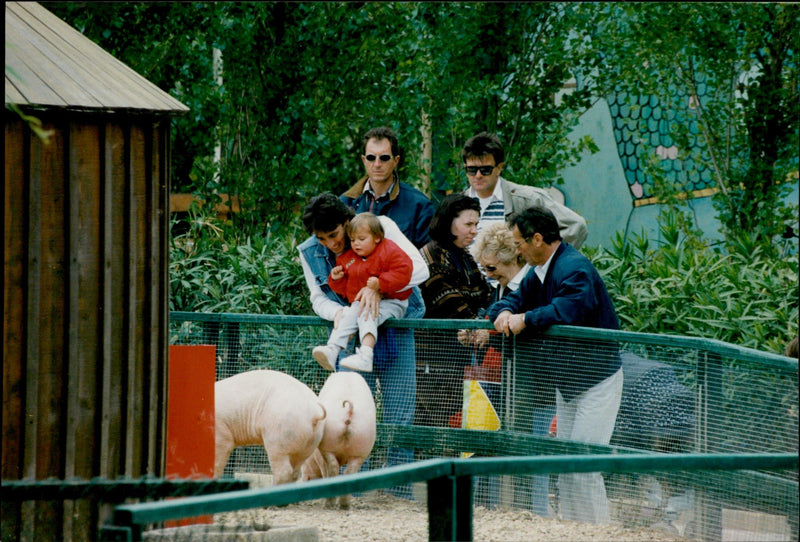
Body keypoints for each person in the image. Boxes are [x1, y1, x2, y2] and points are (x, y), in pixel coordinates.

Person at [487, 206, 623, 524]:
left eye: (519, 242)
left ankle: (597, 533)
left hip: (596, 380)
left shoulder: (573, 267)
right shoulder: (541, 270)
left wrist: (525, 319)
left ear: (537, 239)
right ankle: (576, 529)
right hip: (570, 381)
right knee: (567, 464)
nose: (516, 249)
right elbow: (516, 300)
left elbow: (569, 308)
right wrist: (502, 312)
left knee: (583, 464)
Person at [297, 193, 429, 497]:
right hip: (351, 335)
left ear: (347, 222)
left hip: (395, 326)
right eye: (321, 238)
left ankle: (400, 495)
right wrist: (341, 313)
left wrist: (379, 289)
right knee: (349, 417)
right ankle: (351, 494)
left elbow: (419, 269)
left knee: (400, 415)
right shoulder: (308, 251)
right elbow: (317, 298)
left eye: (334, 235)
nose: (330, 244)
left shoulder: (379, 226)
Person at [470, 222, 554, 516]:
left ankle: (538, 514)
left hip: (538, 381)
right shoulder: (501, 288)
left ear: (513, 258)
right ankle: (513, 512)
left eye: (491, 268)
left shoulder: (533, 284)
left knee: (535, 447)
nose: (488, 275)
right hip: (511, 380)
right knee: (510, 443)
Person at [416, 194, 491, 427]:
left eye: (476, 224)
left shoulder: (465, 257)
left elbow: (484, 295)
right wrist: (475, 324)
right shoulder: (430, 255)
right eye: (468, 224)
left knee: (455, 423)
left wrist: (476, 322)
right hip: (431, 361)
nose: (474, 230)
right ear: (449, 223)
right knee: (436, 426)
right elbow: (446, 299)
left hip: (458, 358)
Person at [312, 213, 413, 373]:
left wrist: (381, 283)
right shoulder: (349, 258)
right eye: (352, 240)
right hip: (362, 302)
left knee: (366, 312)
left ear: (377, 238)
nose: (356, 244)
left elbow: (405, 271)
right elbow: (347, 291)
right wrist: (337, 279)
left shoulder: (389, 249)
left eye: (361, 239)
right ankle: (333, 349)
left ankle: (366, 354)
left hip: (393, 301)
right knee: (349, 314)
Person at [461, 131, 588, 249]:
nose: (478, 175)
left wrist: (543, 264)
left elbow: (576, 227)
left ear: (499, 168)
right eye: (472, 170)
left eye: (485, 170)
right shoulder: (457, 206)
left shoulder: (528, 199)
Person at [341, 126, 435, 248]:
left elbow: (429, 256)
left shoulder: (419, 205)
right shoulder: (346, 203)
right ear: (364, 160)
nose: (377, 164)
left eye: (384, 158)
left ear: (396, 160)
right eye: (371, 158)